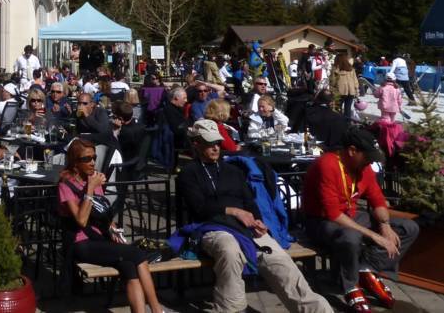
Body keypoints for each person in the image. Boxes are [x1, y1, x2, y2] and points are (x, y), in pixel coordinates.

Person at [177, 120, 332, 313]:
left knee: (279, 260)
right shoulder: (189, 173)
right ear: (196, 144)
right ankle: (230, 309)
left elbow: (249, 202)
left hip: (244, 226)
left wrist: (258, 220)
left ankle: (317, 310)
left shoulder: (232, 171)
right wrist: (234, 211)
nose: (216, 148)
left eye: (217, 142)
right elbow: (199, 208)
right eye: (210, 144)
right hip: (212, 226)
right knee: (230, 250)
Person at [302, 127, 419, 312]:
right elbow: (332, 214)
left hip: (350, 216)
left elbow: (377, 200)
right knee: (351, 236)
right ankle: (350, 285)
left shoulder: (363, 168)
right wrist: (374, 235)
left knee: (408, 228)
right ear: (352, 151)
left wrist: (385, 225)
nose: (370, 162)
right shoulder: (327, 164)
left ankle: (365, 269)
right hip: (321, 221)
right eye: (367, 157)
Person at [58, 139, 163, 313]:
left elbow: (103, 214)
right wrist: (90, 189)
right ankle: (157, 310)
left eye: (94, 157)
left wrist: (113, 229)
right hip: (80, 243)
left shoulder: (94, 179)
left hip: (100, 239)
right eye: (86, 159)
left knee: (129, 267)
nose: (93, 162)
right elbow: (81, 220)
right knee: (137, 254)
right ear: (75, 162)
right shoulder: (66, 184)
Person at [331, 53, 359, 119]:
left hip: (340, 92)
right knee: (348, 109)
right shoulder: (351, 69)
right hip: (351, 91)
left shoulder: (336, 70)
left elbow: (333, 82)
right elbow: (355, 81)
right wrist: (356, 90)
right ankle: (347, 123)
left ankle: (339, 122)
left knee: (337, 109)